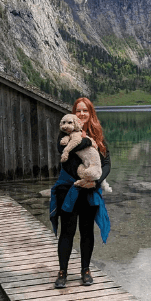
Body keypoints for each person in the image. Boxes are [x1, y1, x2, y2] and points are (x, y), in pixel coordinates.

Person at [49, 97, 111, 289]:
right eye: (78, 111)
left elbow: (107, 164)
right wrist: (87, 141)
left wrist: (95, 181)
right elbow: (68, 162)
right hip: (68, 189)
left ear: (91, 113)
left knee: (87, 231)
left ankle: (85, 270)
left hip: (89, 190)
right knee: (67, 231)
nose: (82, 114)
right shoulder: (64, 135)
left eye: (86, 111)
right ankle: (62, 272)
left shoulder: (98, 137)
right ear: (73, 113)